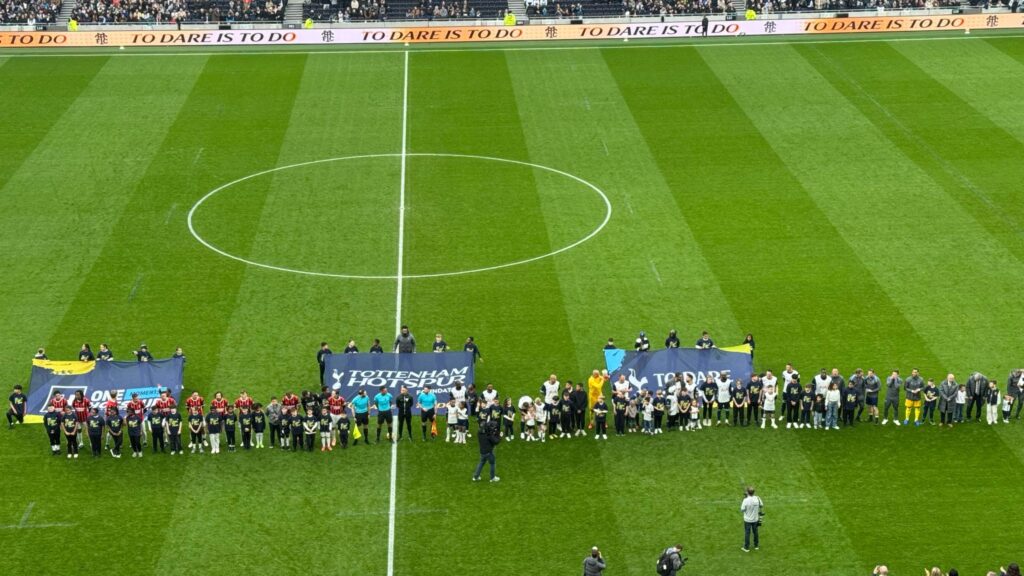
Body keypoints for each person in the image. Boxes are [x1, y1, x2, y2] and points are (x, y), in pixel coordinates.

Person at [740, 486, 763, 552]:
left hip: (747, 520)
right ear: (754, 492)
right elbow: (761, 505)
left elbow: (742, 509)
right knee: (755, 532)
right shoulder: (757, 498)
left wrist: (745, 498)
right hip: (755, 519)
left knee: (747, 533)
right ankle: (756, 546)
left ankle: (746, 547)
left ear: (747, 492)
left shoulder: (745, 500)